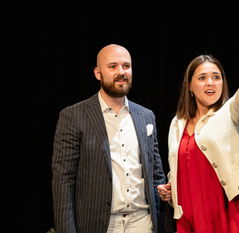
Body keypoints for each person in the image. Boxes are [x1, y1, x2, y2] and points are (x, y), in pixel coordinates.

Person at [51, 44, 167, 233]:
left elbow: (156, 173)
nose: (121, 72)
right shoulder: (74, 116)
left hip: (143, 222)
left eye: (126, 66)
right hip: (100, 224)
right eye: (112, 66)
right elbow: (63, 181)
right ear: (98, 73)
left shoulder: (146, 116)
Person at [157, 54, 239, 233]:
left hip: (231, 212)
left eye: (216, 77)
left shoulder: (230, 113)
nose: (210, 82)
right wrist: (172, 188)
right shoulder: (178, 122)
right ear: (189, 86)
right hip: (191, 216)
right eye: (202, 78)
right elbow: (181, 166)